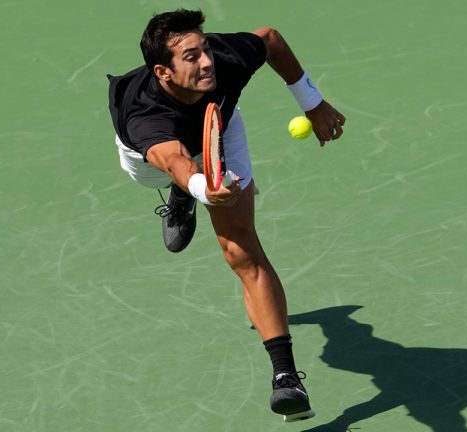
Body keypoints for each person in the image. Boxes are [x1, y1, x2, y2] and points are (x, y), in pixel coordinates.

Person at [106, 9, 346, 422]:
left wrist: (314, 103)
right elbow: (174, 159)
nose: (206, 62)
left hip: (218, 128)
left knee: (240, 251)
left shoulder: (222, 57)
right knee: (178, 175)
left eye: (204, 50)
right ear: (163, 72)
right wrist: (201, 187)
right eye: (191, 57)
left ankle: (286, 377)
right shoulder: (145, 117)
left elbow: (269, 38)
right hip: (154, 163)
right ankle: (182, 197)